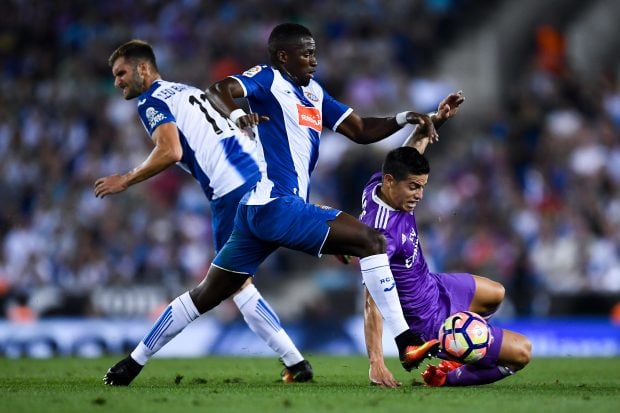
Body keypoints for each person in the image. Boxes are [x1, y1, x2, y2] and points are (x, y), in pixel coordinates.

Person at [104, 22, 440, 387]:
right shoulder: (267, 78)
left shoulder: (314, 93)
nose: (314, 59)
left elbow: (359, 130)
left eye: (314, 51)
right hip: (273, 204)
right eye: (306, 52)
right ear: (284, 57)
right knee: (373, 242)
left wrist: (406, 117)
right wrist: (236, 114)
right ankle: (406, 341)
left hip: (255, 210)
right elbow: (221, 89)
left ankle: (131, 365)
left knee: (208, 293)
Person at [97, 39, 312, 385]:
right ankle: (295, 362)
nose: (117, 81)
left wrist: (126, 178)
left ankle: (133, 363)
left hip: (231, 191)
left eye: (121, 73)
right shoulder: (186, 90)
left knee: (213, 288)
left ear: (142, 68)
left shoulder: (150, 101)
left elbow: (170, 150)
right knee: (237, 285)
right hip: (260, 176)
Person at [361, 92, 532, 388]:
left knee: (496, 293)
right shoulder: (379, 235)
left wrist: (435, 120)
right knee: (522, 353)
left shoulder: (378, 184)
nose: (419, 195)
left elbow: (410, 153)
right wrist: (376, 362)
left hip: (435, 286)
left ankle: (467, 343)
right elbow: (371, 299)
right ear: (391, 182)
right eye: (413, 187)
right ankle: (449, 373)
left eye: (422, 186)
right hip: (427, 321)